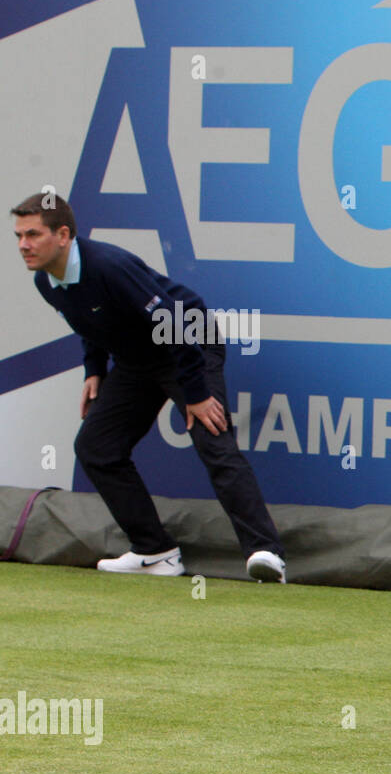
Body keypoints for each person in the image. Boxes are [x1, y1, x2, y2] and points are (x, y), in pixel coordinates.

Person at [11, 193, 287, 582]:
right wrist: (95, 370)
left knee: (213, 439)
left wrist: (195, 392)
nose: (23, 245)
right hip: (137, 360)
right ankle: (155, 551)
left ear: (63, 235)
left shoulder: (109, 266)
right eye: (19, 235)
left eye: (33, 234)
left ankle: (266, 553)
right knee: (96, 448)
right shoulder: (47, 281)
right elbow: (88, 320)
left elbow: (174, 322)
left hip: (187, 345)